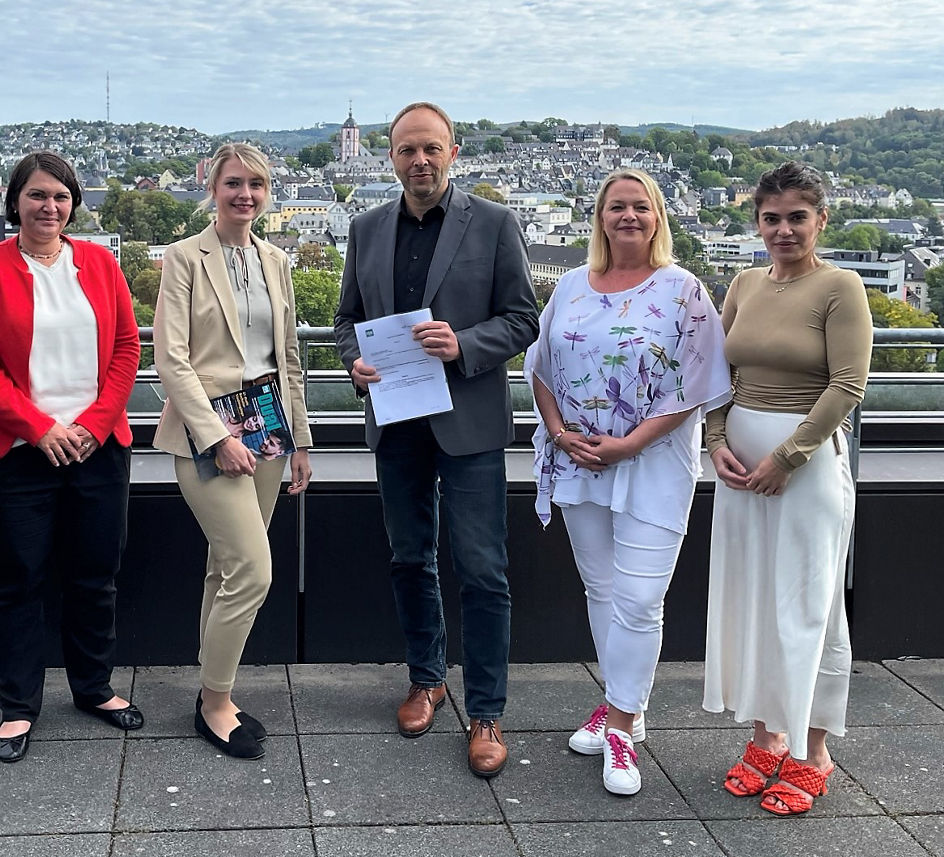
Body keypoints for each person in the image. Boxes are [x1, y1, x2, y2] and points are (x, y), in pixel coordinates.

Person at [334, 102, 539, 778]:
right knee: (408, 558)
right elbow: (346, 322)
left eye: (430, 149)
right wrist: (354, 366)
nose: (419, 161)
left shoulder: (497, 222)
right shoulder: (365, 230)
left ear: (453, 152)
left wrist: (465, 344)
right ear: (389, 157)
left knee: (482, 569)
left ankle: (486, 711)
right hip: (396, 421)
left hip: (469, 424)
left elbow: (522, 320)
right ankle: (427, 679)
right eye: (405, 151)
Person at [526, 169, 731, 795]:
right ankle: (625, 706)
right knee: (603, 591)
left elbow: (698, 382)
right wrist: (560, 433)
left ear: (658, 216)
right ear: (600, 216)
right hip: (582, 459)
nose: (628, 217)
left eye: (640, 207)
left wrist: (631, 443)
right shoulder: (570, 284)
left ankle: (620, 725)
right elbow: (540, 364)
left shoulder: (684, 291)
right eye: (617, 206)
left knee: (639, 600)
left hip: (650, 464)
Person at [0, 151, 142, 763]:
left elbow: (128, 347)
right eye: (37, 196)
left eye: (60, 197)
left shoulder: (101, 262)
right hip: (10, 452)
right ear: (15, 203)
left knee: (94, 575)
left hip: (94, 446)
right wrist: (38, 428)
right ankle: (18, 705)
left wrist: (92, 423)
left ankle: (93, 688)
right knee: (15, 581)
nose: (49, 207)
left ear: (73, 204)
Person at [703, 161, 872, 815]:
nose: (783, 229)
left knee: (810, 609)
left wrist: (787, 457)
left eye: (797, 217)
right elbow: (717, 376)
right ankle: (767, 735)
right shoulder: (744, 284)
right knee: (751, 603)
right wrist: (716, 443)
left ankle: (813, 753)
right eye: (771, 218)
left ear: (820, 220)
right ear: (757, 223)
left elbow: (847, 387)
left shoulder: (841, 286)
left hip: (803, 474)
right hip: (741, 473)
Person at [153, 142, 313, 760]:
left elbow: (289, 357)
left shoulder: (275, 258)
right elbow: (172, 359)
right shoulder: (183, 257)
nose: (245, 194)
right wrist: (217, 438)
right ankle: (216, 702)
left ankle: (209, 690)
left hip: (269, 428)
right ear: (212, 189)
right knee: (253, 568)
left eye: (256, 185)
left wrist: (300, 439)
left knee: (226, 568)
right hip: (207, 433)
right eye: (233, 184)